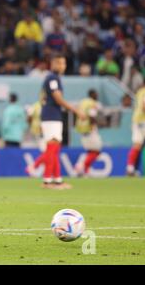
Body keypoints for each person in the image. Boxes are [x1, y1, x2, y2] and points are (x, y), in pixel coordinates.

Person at [39, 54, 84, 189]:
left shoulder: (53, 78)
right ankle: (48, 180)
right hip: (51, 116)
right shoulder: (52, 78)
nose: (63, 66)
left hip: (52, 116)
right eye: (60, 63)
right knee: (52, 148)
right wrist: (75, 110)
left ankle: (56, 180)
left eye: (64, 63)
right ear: (54, 64)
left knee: (54, 149)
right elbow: (57, 98)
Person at [74, 89, 103, 176]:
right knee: (97, 151)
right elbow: (92, 116)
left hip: (81, 129)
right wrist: (93, 126)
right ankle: (81, 166)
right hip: (89, 129)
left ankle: (86, 171)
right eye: (96, 94)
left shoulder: (82, 102)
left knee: (90, 151)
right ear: (93, 95)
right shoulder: (92, 103)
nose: (97, 96)